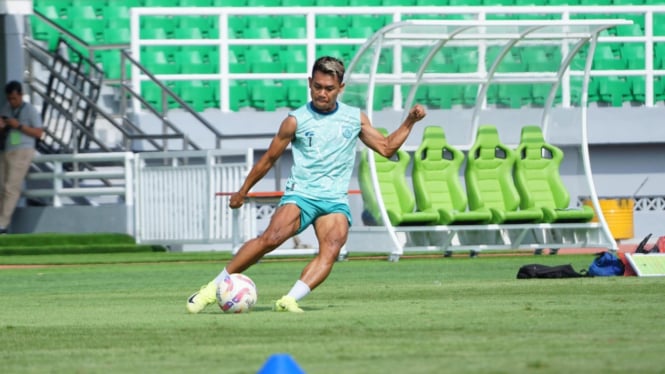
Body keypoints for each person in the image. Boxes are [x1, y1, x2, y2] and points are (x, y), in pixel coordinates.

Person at [186, 56, 426, 314]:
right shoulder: (296, 120)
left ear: (341, 88)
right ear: (310, 83)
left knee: (332, 248)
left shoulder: (354, 118)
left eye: (329, 88)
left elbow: (386, 147)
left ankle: (289, 299)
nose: (322, 93)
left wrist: (410, 121)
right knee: (271, 238)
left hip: (334, 200)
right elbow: (269, 159)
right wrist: (243, 191)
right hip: (301, 195)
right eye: (318, 86)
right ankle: (211, 289)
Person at [0, 81, 43, 234]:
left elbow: (39, 133)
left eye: (14, 98)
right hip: (7, 149)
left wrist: (18, 125)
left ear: (21, 95)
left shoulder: (30, 110)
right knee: (2, 186)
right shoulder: (6, 107)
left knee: (11, 187)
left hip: (23, 149)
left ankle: (2, 225)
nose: (12, 102)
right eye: (9, 99)